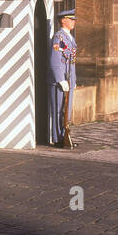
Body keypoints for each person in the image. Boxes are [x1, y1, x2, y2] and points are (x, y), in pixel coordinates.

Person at [49, 9, 77, 147]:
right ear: (63, 21)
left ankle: (65, 136)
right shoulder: (58, 37)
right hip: (60, 81)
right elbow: (55, 60)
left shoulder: (70, 38)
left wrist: (73, 81)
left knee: (66, 110)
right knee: (58, 110)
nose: (74, 22)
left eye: (74, 20)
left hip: (69, 79)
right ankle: (58, 138)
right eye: (71, 19)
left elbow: (71, 62)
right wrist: (60, 79)